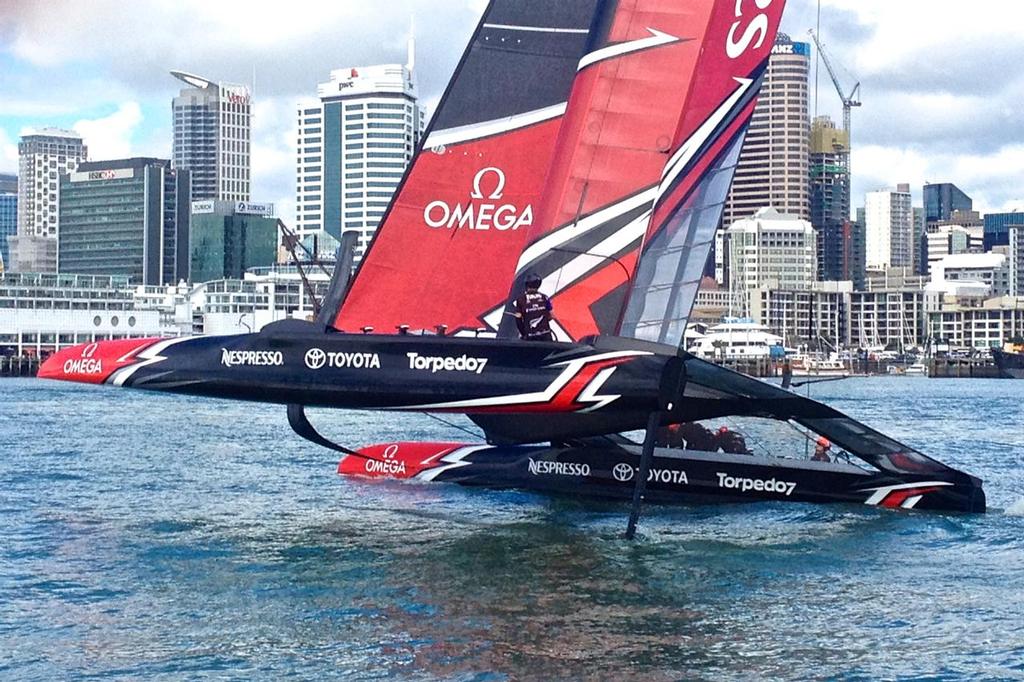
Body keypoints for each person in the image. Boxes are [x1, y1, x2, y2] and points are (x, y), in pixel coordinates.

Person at [512, 273, 554, 341]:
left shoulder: (520, 300)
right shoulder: (545, 298)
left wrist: (524, 334)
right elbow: (552, 316)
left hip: (530, 338)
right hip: (546, 337)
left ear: (526, 285)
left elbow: (518, 319)